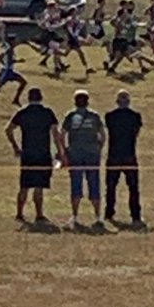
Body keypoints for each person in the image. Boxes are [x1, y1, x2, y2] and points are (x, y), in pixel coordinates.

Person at [4, 86, 65, 224]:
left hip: (27, 154)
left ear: (28, 98)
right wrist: (60, 152)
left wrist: (15, 147)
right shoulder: (47, 112)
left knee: (24, 185)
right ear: (41, 98)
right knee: (39, 186)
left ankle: (19, 213)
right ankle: (39, 214)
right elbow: (55, 133)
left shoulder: (23, 112)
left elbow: (8, 129)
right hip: (43, 153)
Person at [61, 88, 105, 229]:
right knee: (94, 184)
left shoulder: (70, 116)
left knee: (76, 185)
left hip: (75, 155)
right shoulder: (94, 116)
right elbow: (103, 135)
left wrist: (65, 151)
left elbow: (62, 135)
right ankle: (98, 217)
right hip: (92, 154)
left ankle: (75, 216)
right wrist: (98, 148)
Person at [104, 89, 144, 227]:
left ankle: (109, 213)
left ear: (117, 101)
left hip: (113, 155)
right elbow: (136, 132)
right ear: (128, 101)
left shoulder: (110, 116)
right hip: (129, 155)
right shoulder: (135, 116)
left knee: (110, 187)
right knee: (133, 188)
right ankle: (136, 215)